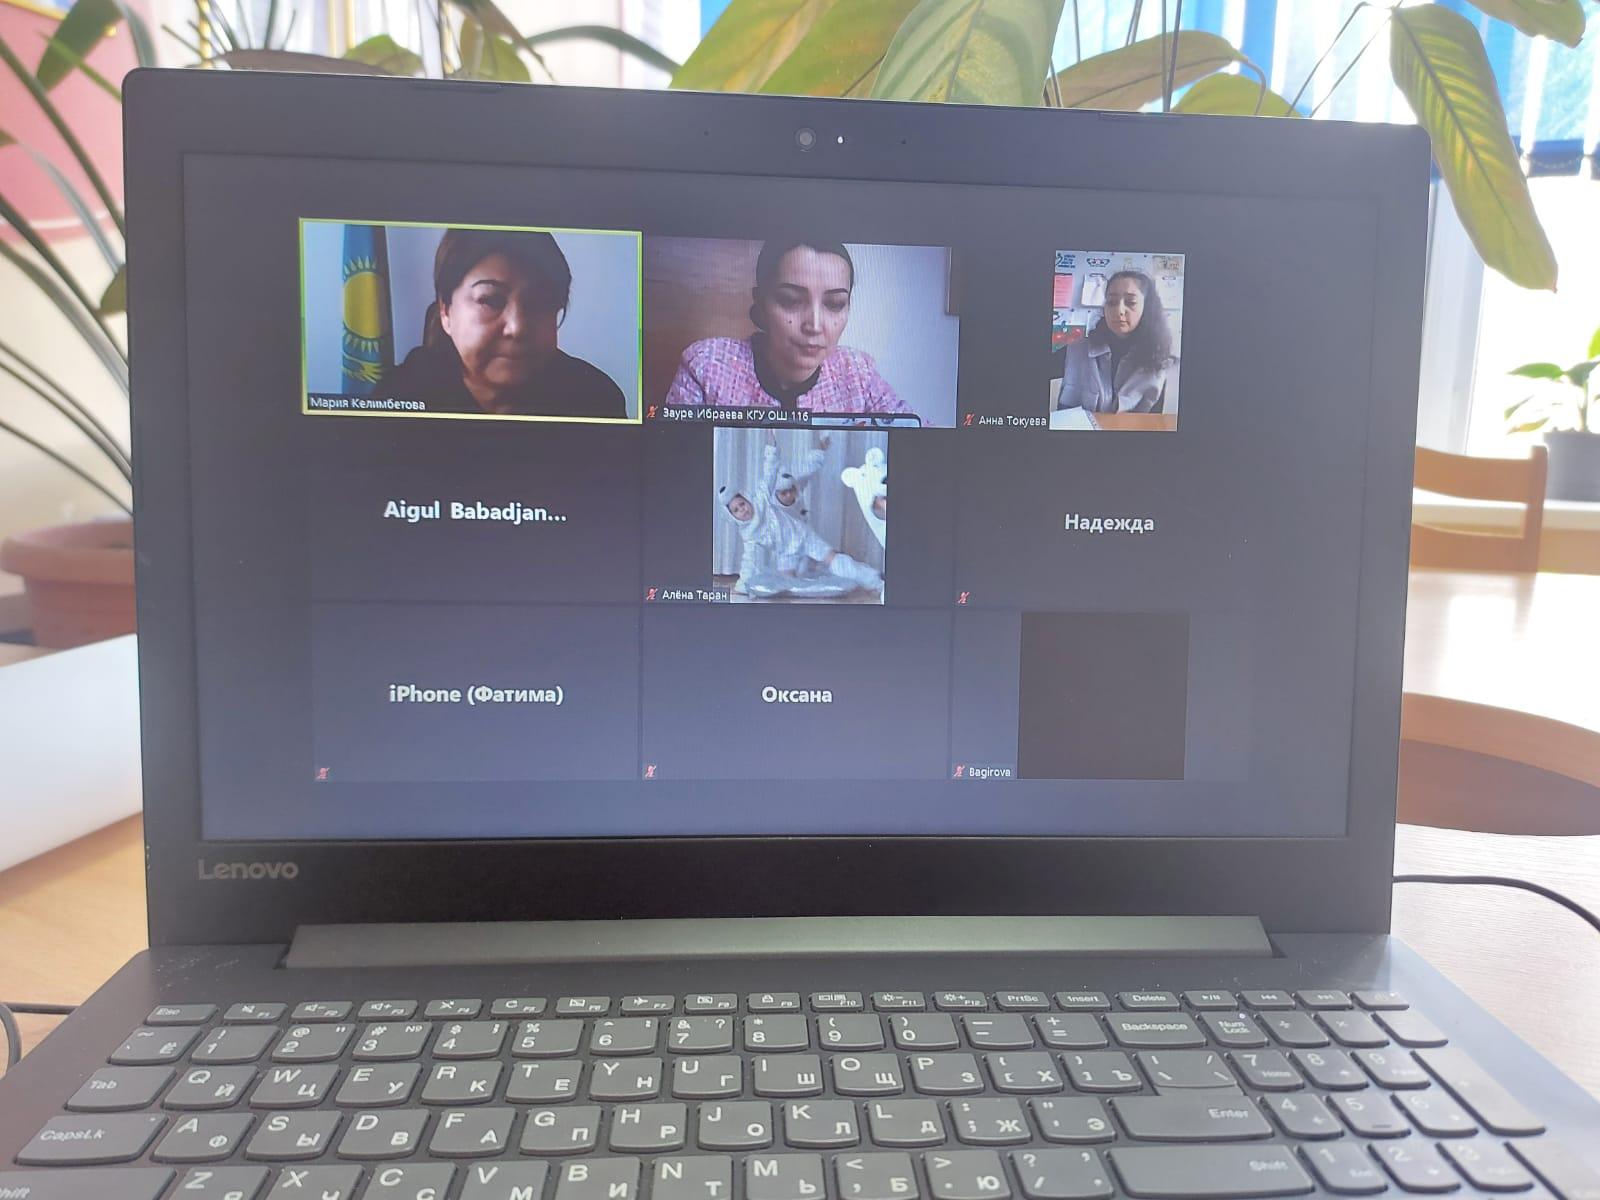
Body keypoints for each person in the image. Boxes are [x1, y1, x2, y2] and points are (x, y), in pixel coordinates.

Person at [376, 228, 627, 419]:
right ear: (446, 311)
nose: (517, 328)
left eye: (538, 302)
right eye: (490, 300)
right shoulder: (399, 397)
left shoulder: (596, 400)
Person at [666, 238, 912, 417]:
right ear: (761, 303)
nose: (814, 325)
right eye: (791, 300)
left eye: (834, 304)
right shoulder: (706, 366)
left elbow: (916, 439)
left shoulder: (857, 373)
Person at [718, 432, 882, 599]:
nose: (743, 510)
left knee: (833, 560)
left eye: (742, 504)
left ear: (747, 499)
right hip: (785, 553)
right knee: (788, 586)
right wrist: (741, 586)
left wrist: (771, 447)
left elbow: (770, 472)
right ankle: (814, 571)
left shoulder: (761, 499)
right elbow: (749, 561)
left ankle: (874, 581)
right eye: (736, 510)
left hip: (803, 537)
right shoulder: (749, 534)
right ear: (733, 517)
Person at [1052, 270, 1177, 414]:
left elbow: (1153, 422)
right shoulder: (1076, 349)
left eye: (1130, 302)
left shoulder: (1158, 360)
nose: (1119, 310)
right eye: (1111, 302)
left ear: (1147, 308)